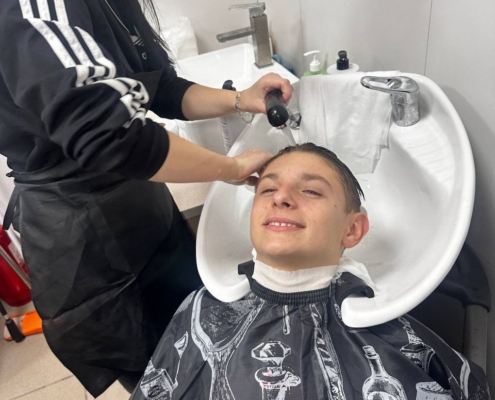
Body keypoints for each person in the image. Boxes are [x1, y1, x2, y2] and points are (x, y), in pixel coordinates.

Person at [0, 0, 293, 396]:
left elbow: (156, 86)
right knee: (160, 373)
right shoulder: (36, 9)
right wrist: (231, 167)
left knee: (197, 331)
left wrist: (241, 98)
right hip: (81, 227)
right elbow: (110, 136)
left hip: (138, 196)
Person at [130, 143, 490, 400]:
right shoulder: (200, 309)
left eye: (312, 191)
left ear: (352, 229)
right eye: (268, 188)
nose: (281, 197)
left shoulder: (393, 340)